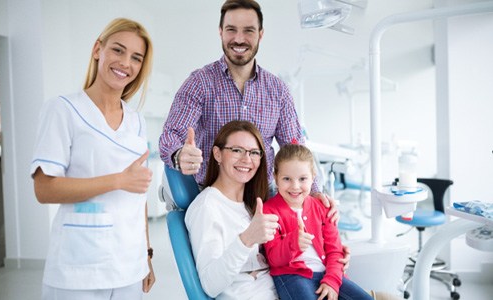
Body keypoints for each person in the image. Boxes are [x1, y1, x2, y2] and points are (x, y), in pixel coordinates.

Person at [158, 0, 337, 221]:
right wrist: (179, 155)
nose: (239, 39)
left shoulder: (278, 90)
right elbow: (170, 136)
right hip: (214, 195)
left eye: (248, 31)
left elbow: (295, 148)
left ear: (260, 34)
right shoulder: (200, 82)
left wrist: (316, 191)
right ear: (220, 32)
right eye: (231, 30)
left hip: (262, 194)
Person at [31, 18, 155, 300]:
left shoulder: (136, 121)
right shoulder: (63, 110)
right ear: (98, 49)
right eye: (118, 50)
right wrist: (118, 180)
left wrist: (146, 255)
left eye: (136, 58)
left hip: (130, 266)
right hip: (78, 268)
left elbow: (139, 196)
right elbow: (44, 189)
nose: (125, 63)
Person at [263, 143, 373, 300]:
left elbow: (335, 251)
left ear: (313, 177)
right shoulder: (269, 210)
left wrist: (332, 281)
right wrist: (293, 242)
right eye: (287, 179)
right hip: (291, 276)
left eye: (302, 179)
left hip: (326, 272)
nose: (295, 186)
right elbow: (274, 259)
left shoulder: (322, 207)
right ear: (275, 177)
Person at [185, 120, 280, 299]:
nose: (246, 159)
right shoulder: (207, 207)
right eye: (236, 150)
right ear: (218, 154)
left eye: (254, 152)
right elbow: (210, 284)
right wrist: (246, 239)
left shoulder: (250, 205)